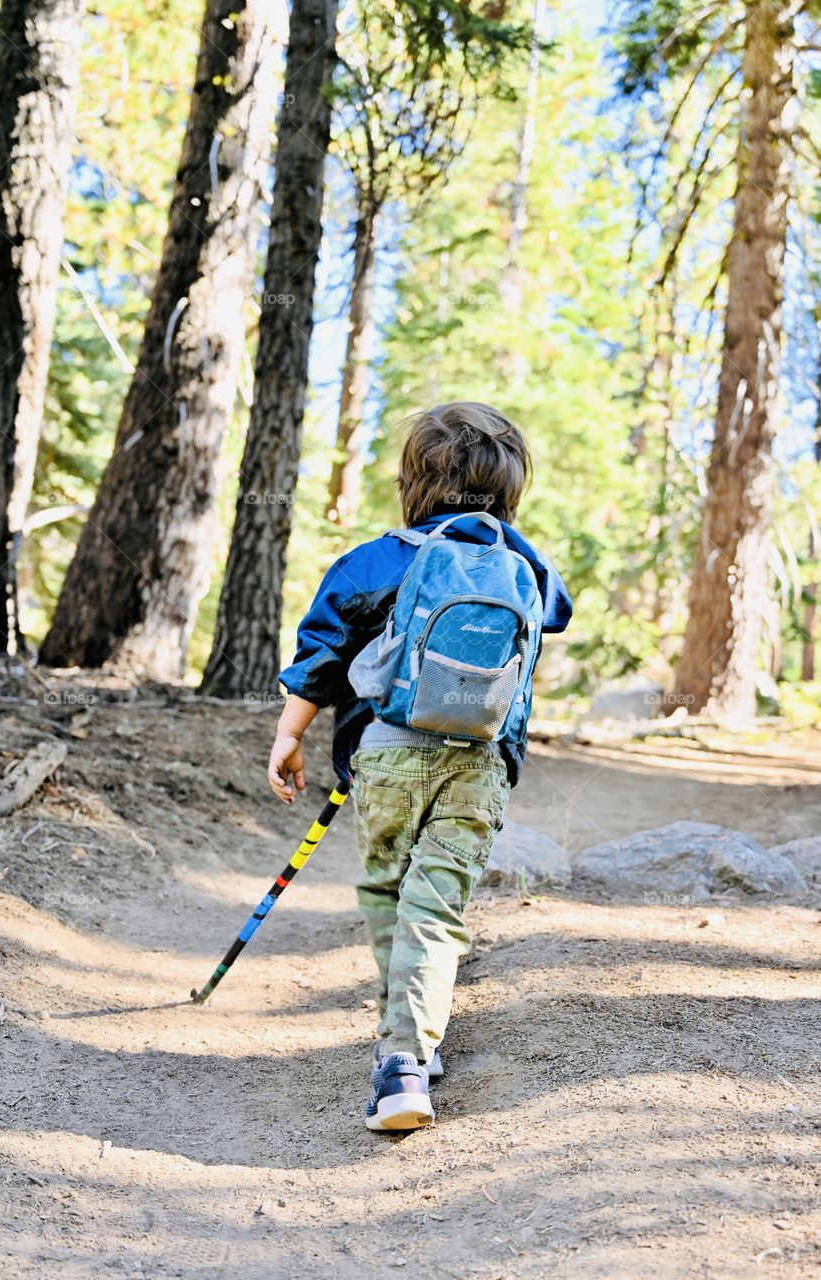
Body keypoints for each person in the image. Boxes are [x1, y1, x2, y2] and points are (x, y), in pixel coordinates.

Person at [267, 402, 572, 1130]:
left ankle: (400, 1053)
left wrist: (289, 737)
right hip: (481, 762)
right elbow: (555, 613)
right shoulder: (525, 565)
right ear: (509, 488)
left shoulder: (375, 561)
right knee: (435, 908)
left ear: (412, 482)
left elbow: (322, 653)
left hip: (386, 755)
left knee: (386, 891)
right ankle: (411, 1050)